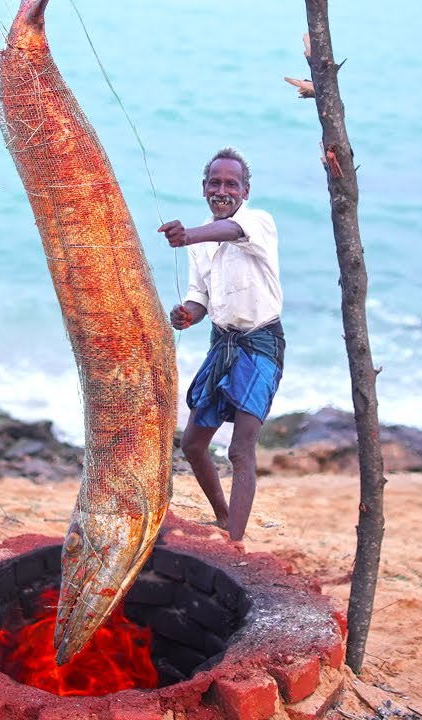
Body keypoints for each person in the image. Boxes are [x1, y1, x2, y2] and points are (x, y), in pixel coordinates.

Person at [157, 147, 284, 542]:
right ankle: (224, 516)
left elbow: (232, 232)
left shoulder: (257, 222)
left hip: (261, 343)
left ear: (245, 191)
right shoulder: (200, 241)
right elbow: (201, 296)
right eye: (215, 182)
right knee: (193, 444)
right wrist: (188, 316)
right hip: (222, 344)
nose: (222, 190)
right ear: (204, 188)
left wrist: (189, 235)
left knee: (240, 449)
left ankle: (235, 542)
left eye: (231, 184)